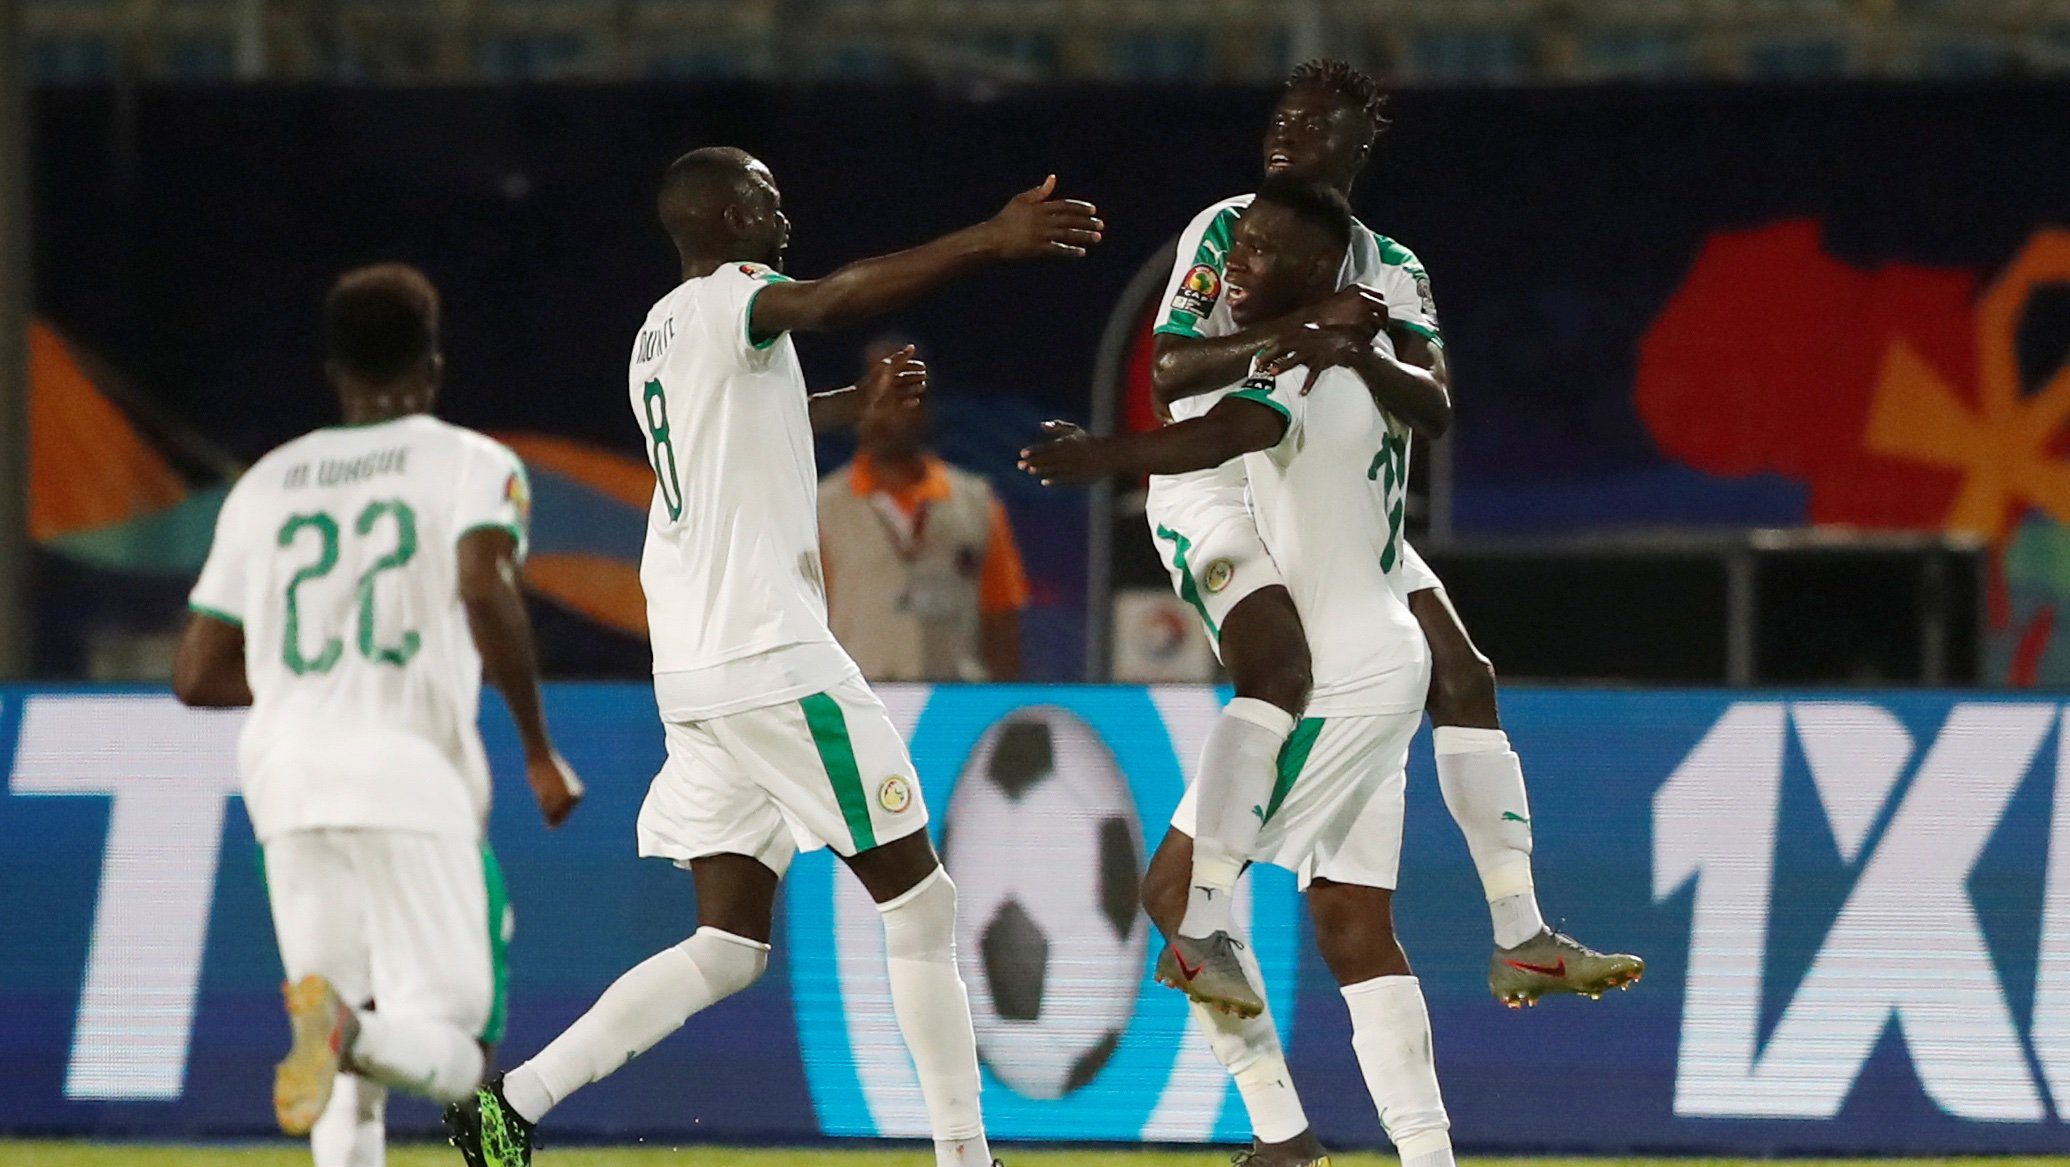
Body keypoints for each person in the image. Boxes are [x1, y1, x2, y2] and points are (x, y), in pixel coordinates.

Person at [442, 147, 1101, 1167]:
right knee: (921, 899)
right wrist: (989, 237)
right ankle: (966, 1155)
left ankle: (510, 1105)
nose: (783, 215)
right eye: (767, 199)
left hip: (696, 669)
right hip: (771, 655)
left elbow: (747, 424)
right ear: (726, 218)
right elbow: (833, 298)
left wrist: (851, 405)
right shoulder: (735, 295)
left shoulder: (655, 337)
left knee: (727, 947)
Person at [1150, 63, 1642, 1012]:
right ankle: (1194, 902)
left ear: (1359, 146)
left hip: (1330, 494)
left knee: (1465, 674)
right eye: (1281, 119)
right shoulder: (1225, 227)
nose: (1287, 135)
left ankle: (1521, 934)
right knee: (1279, 669)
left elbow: (1434, 403)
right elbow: (1170, 370)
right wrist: (1314, 323)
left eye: (1314, 125)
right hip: (1216, 483)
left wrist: (1355, 346)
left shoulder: (1395, 267)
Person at [1024, 180, 1460, 1167]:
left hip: (1338, 681)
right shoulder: (1369, 361)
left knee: (1177, 896)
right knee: (1353, 919)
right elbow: (1422, 403)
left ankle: (1281, 1137)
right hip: (1379, 660)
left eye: (1261, 252)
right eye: (1240, 244)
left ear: (1314, 272)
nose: (1236, 265)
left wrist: (1103, 457)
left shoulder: (1307, 362)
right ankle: (1421, 1154)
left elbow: (1229, 432)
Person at [173, 263, 585, 1166]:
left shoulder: (264, 484)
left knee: (335, 1025)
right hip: (409, 775)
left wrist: (303, 684)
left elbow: (196, 673)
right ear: (432, 367)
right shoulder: (471, 463)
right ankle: (352, 1037)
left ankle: (340, 1033)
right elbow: (484, 584)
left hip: (285, 782)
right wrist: (538, 747)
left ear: (334, 373)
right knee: (458, 1052)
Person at [820, 339, 1032, 681]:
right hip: (859, 699)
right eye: (875, 396)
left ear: (927, 406)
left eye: (901, 396)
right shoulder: (822, 508)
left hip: (952, 704)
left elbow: (1000, 616)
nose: (886, 411)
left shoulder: (975, 501)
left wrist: (1003, 702)